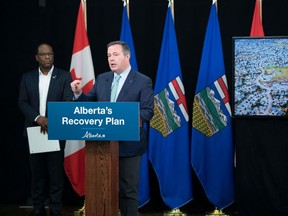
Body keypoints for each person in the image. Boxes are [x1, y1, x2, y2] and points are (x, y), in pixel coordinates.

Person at [70, 40, 154, 216]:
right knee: (103, 188)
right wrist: (78, 93)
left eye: (115, 54)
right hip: (102, 145)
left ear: (127, 56)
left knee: (128, 191)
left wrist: (125, 119)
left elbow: (147, 112)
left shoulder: (142, 81)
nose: (111, 59)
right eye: (109, 55)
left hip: (129, 145)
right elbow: (88, 105)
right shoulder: (102, 78)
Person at [18, 43, 73, 216]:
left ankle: (56, 209)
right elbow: (22, 102)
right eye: (44, 54)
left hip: (55, 131)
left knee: (56, 174)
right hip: (34, 131)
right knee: (37, 174)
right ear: (37, 57)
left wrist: (51, 121)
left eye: (50, 54)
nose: (48, 57)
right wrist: (38, 118)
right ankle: (38, 207)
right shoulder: (27, 78)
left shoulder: (64, 76)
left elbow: (67, 102)